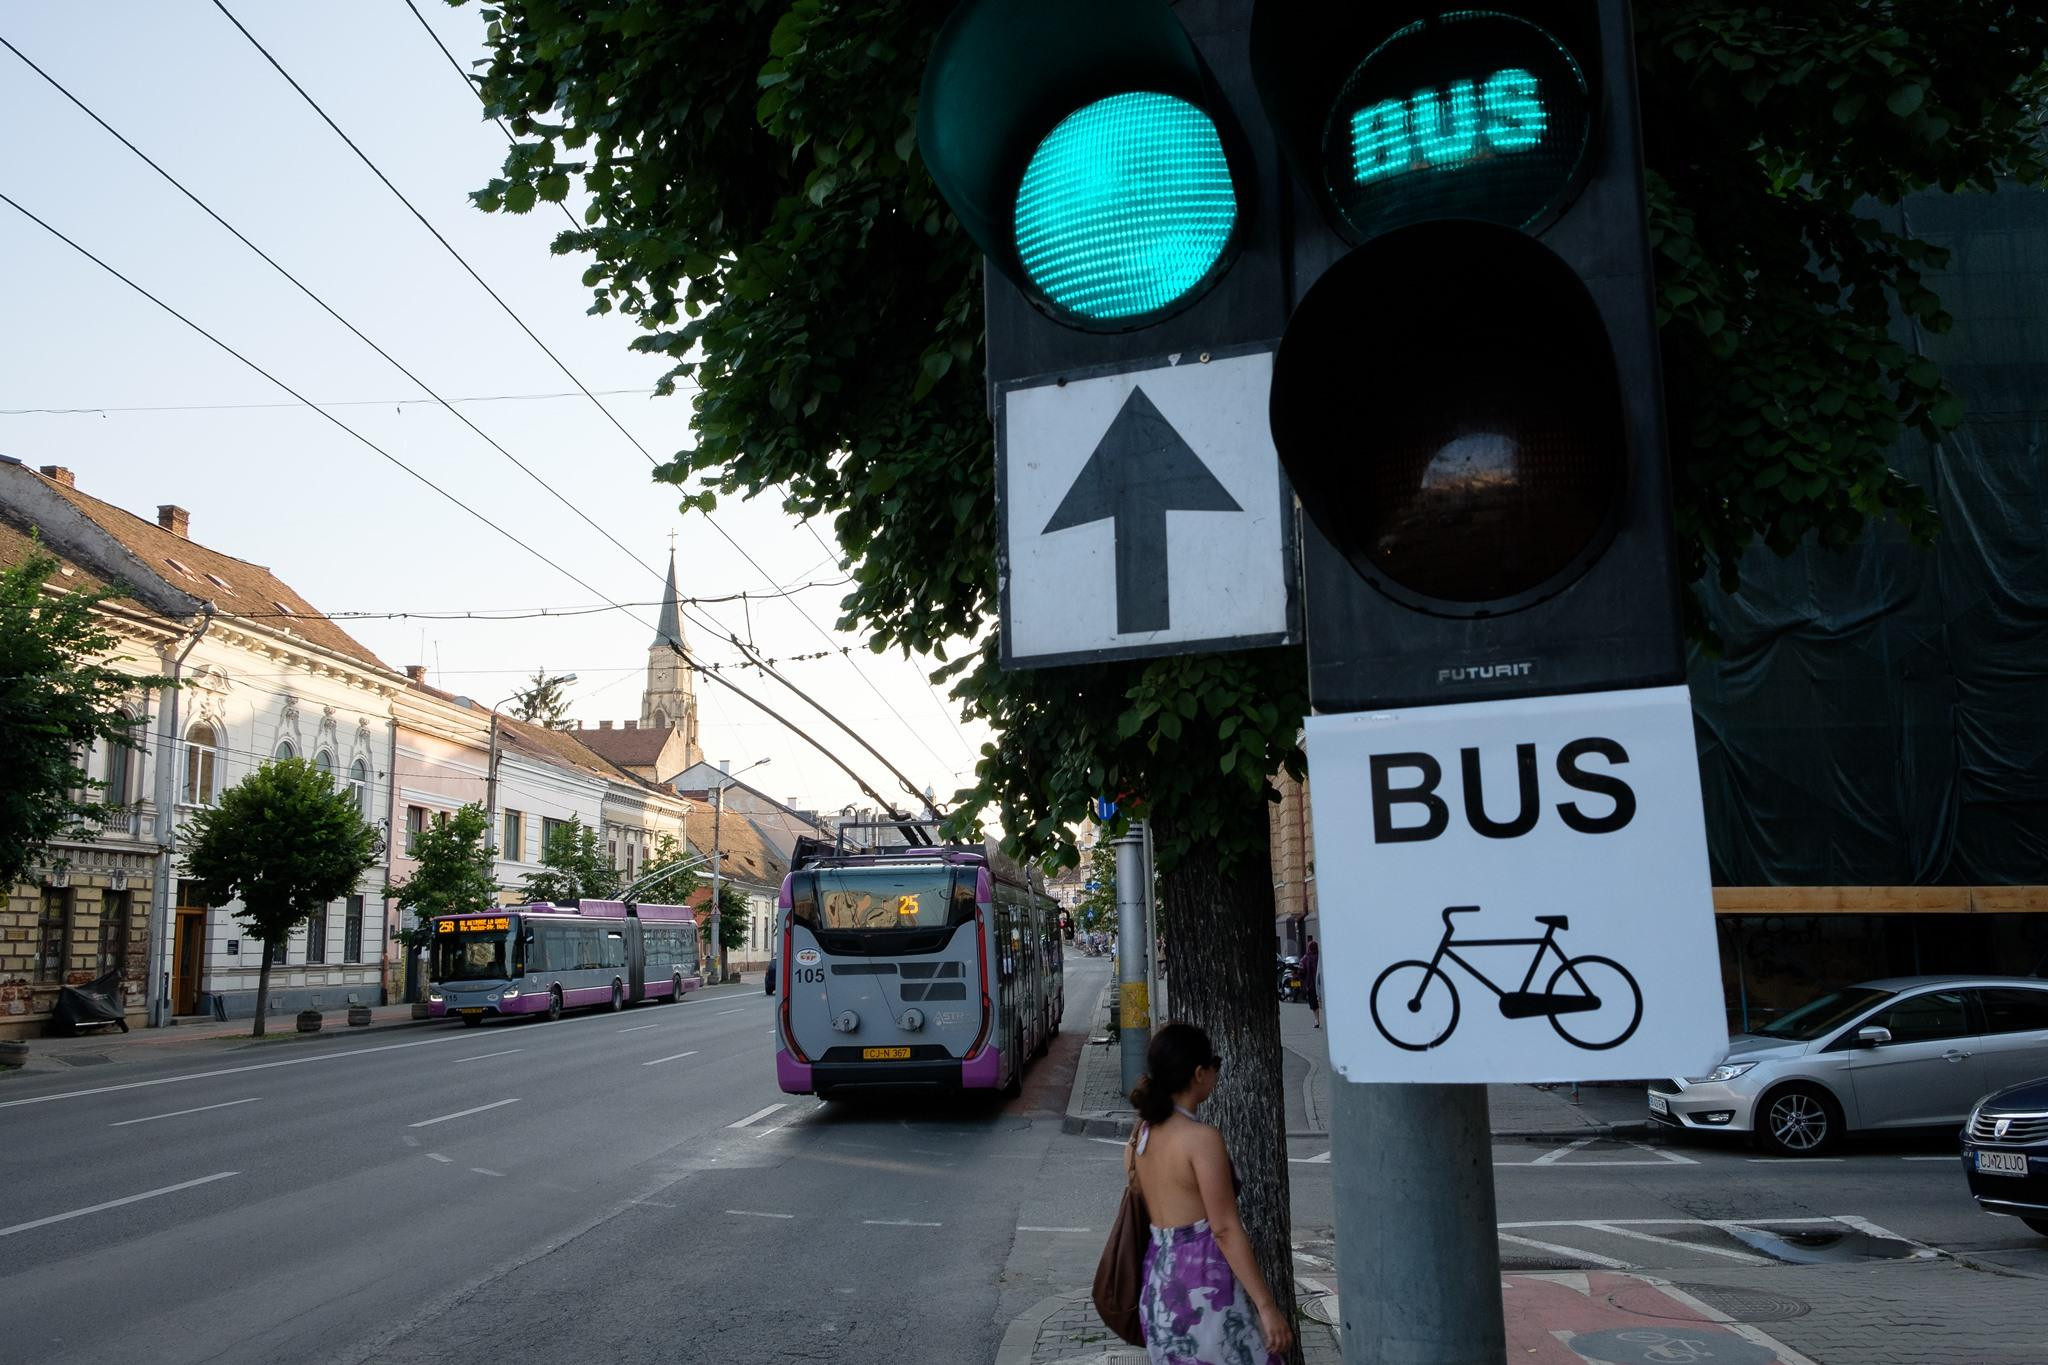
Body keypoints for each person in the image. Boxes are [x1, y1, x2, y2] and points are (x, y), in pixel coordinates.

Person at [1127, 1023, 1293, 1364]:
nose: (1217, 1072)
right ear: (1199, 1073)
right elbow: (1224, 1229)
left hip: (1159, 1286)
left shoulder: (1141, 1135)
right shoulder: (1201, 1139)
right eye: (1214, 1064)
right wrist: (1266, 1306)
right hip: (1201, 1289)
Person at [1299, 937, 1322, 1029]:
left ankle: (1316, 1020)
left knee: (1313, 1003)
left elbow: (1301, 971)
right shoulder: (1321, 957)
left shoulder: (1305, 958)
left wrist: (1303, 982)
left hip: (1311, 985)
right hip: (1322, 985)